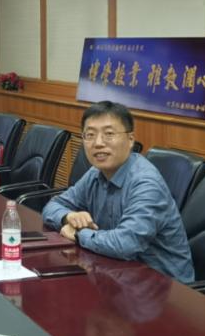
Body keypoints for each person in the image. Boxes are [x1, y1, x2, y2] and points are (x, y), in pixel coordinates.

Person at [42, 101, 195, 284]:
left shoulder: (146, 183)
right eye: (90, 135)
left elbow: (125, 244)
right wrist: (68, 217)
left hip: (165, 288)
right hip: (116, 274)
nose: (98, 143)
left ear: (130, 140)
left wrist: (77, 234)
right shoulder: (95, 173)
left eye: (109, 134)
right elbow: (53, 206)